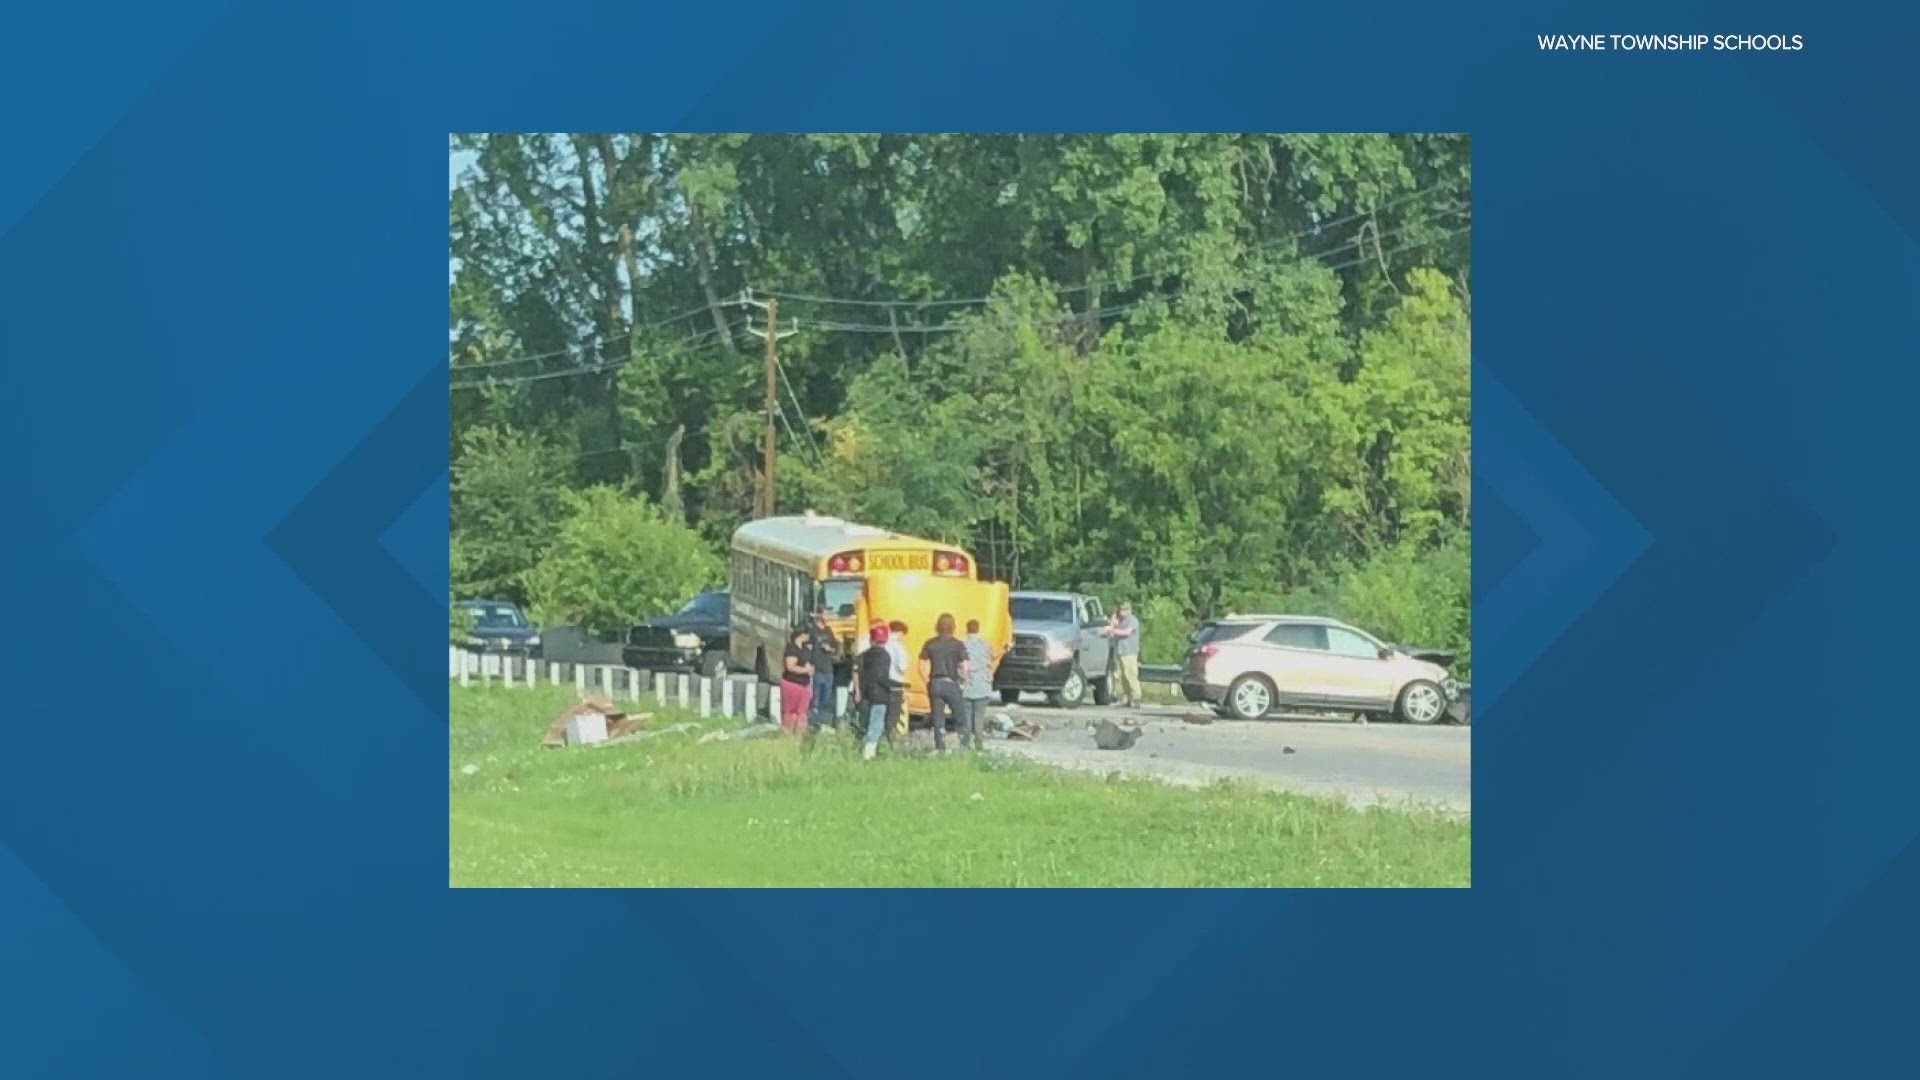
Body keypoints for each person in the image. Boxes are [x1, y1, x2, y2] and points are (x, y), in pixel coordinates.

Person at [918, 613, 970, 752]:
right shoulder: (958, 644)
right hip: (951, 683)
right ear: (953, 627)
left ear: (937, 626)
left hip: (935, 683)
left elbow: (921, 663)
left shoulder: (930, 644)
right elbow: (965, 665)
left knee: (938, 718)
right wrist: (963, 680)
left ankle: (940, 747)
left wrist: (926, 680)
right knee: (960, 716)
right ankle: (964, 746)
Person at [856, 621, 896, 761]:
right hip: (880, 694)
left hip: (866, 693)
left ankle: (866, 748)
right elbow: (882, 676)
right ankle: (869, 753)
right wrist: (891, 686)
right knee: (877, 723)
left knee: (867, 722)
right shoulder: (885, 656)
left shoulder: (864, 655)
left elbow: (858, 671)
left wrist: (858, 691)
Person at [960, 618, 997, 751]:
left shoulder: (962, 644)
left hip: (967, 684)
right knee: (979, 715)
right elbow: (994, 656)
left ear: (967, 629)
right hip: (983, 683)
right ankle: (979, 743)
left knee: (967, 715)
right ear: (978, 629)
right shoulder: (985, 644)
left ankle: (965, 743)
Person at [805, 605, 838, 731]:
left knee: (827, 697)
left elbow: (835, 646)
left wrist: (830, 649)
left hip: (828, 668)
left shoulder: (829, 630)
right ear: (819, 615)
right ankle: (814, 722)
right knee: (815, 697)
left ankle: (823, 721)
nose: (827, 617)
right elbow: (807, 647)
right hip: (816, 667)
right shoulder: (812, 630)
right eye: (825, 614)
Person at [1107, 600, 1143, 708]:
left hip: (1129, 653)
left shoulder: (1132, 620)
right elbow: (1112, 627)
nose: (1121, 612)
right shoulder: (1120, 621)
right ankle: (1127, 697)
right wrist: (1113, 619)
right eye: (1120, 610)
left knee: (1130, 675)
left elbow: (1127, 632)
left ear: (1128, 610)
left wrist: (1114, 631)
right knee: (1121, 677)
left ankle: (1136, 697)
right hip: (1120, 652)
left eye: (1123, 610)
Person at [779, 626, 814, 733]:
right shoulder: (791, 649)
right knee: (790, 712)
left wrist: (810, 669)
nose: (808, 636)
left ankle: (801, 735)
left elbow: (808, 663)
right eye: (807, 634)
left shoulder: (806, 649)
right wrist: (805, 670)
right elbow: (790, 667)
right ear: (801, 634)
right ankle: (788, 734)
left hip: (805, 684)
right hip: (791, 683)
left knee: (803, 712)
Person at [884, 620, 910, 739]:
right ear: (900, 632)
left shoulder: (883, 643)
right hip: (895, 684)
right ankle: (889, 737)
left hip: (882, 684)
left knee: (883, 713)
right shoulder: (898, 646)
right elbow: (902, 666)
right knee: (893, 714)